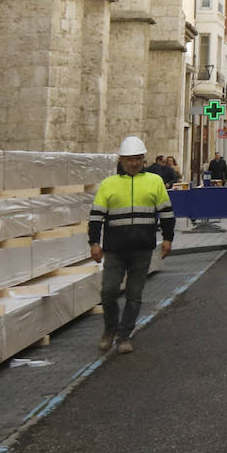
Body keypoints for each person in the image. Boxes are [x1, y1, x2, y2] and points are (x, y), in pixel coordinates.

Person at [88, 136, 176, 355]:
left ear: (143, 159)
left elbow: (166, 213)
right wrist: (94, 243)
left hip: (142, 249)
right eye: (130, 159)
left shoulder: (154, 181)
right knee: (108, 292)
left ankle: (124, 336)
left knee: (134, 295)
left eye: (138, 159)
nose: (134, 163)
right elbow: (96, 217)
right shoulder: (109, 184)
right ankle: (110, 330)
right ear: (121, 160)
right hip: (115, 250)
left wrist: (167, 239)